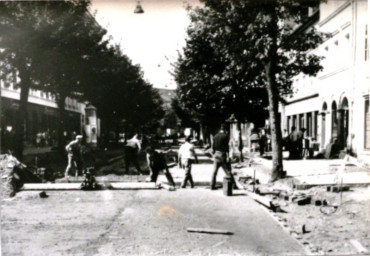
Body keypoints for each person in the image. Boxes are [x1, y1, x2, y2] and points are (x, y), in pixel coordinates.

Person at [210, 124, 237, 190]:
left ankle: (212, 185)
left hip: (216, 154)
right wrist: (228, 156)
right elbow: (226, 147)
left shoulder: (215, 136)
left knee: (214, 172)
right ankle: (233, 185)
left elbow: (213, 147)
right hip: (222, 155)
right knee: (228, 171)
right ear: (225, 130)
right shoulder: (225, 136)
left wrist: (214, 154)